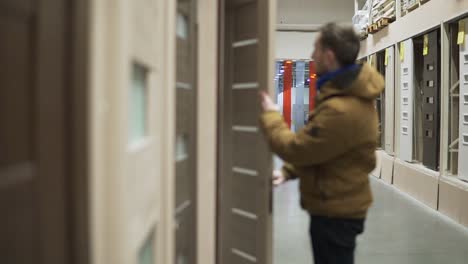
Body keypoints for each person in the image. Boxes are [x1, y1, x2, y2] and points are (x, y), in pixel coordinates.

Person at [259, 22, 384, 264]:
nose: (311, 56)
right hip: (339, 204)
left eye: (315, 49)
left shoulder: (341, 109)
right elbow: (326, 150)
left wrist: (271, 115)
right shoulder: (341, 95)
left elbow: (297, 149)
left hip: (336, 211)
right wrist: (288, 172)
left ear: (329, 56)